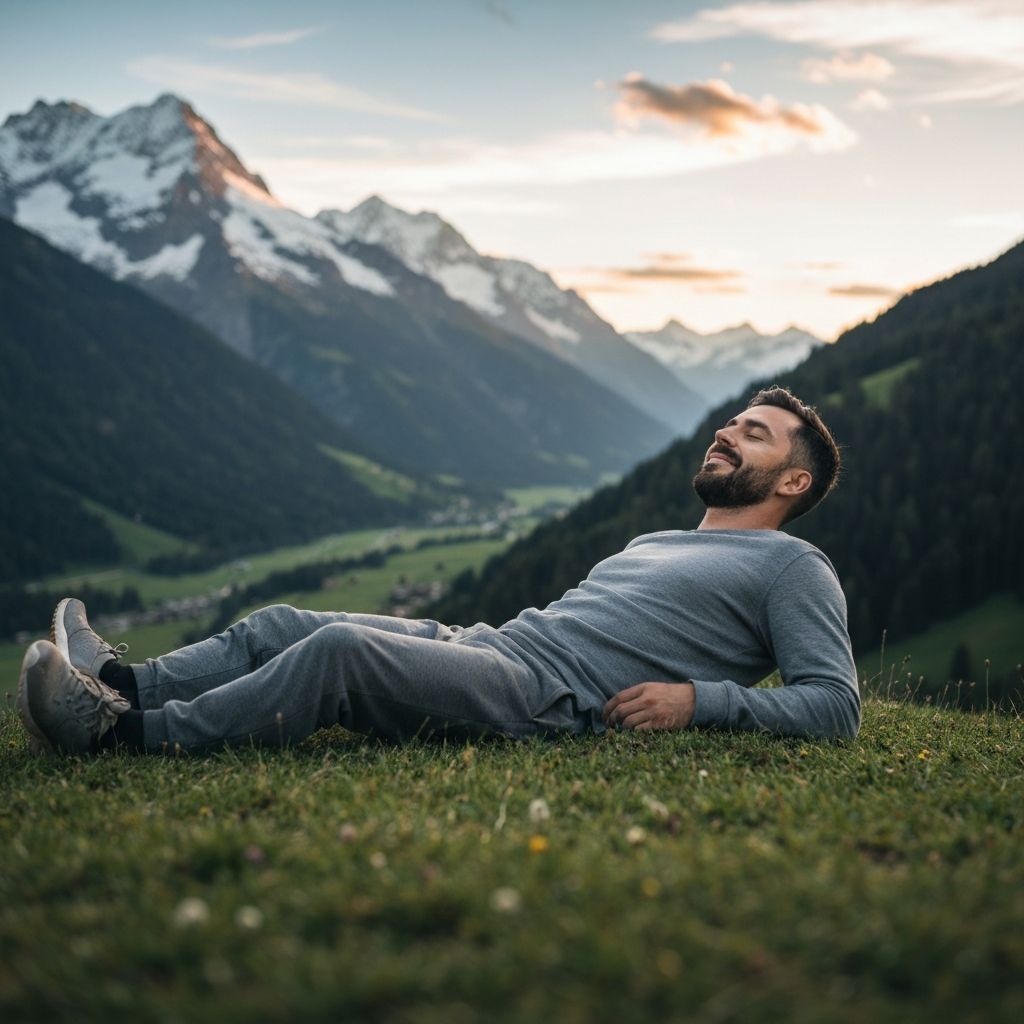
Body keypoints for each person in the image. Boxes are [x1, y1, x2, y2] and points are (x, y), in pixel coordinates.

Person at [17, 386, 860, 756]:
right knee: (279, 623)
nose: (727, 433)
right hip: (496, 644)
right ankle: (122, 679)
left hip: (548, 700)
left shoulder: (792, 566)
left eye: (754, 434)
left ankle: (115, 735)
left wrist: (696, 701)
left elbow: (834, 705)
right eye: (733, 421)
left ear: (794, 481)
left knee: (340, 650)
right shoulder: (660, 541)